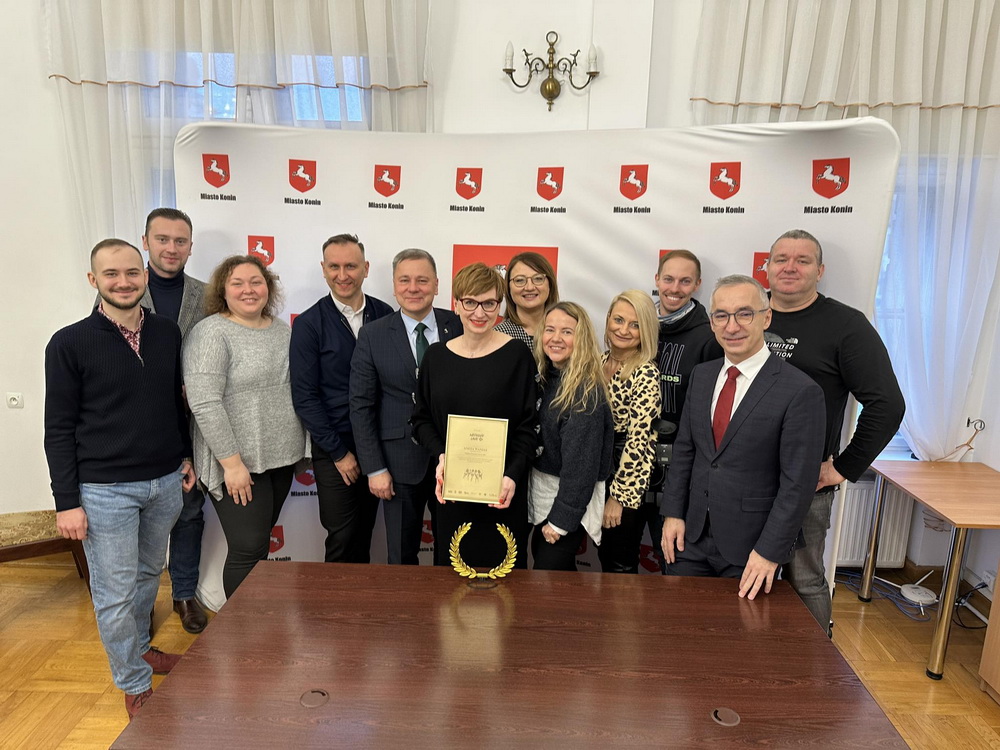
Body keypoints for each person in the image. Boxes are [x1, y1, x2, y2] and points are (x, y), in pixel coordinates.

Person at [45, 239, 196, 720]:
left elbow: (173, 404)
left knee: (149, 576)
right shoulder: (68, 342)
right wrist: (66, 502)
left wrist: (185, 456)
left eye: (132, 272)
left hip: (164, 482)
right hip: (104, 491)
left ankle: (141, 651)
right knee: (114, 594)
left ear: (145, 275)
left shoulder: (167, 332)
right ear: (94, 280)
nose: (123, 282)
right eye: (111, 274)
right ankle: (133, 682)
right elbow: (58, 428)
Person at [766, 229, 905, 633]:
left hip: (805, 485)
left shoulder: (845, 325)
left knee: (804, 578)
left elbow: (887, 404)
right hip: (742, 480)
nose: (790, 267)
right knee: (738, 572)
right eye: (781, 259)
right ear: (767, 267)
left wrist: (842, 468)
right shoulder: (746, 314)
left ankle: (814, 660)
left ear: (820, 270)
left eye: (803, 260)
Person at [660, 275, 825, 599]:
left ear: (766, 317)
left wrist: (769, 551)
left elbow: (797, 485)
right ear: (712, 322)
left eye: (744, 314)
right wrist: (673, 512)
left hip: (751, 548)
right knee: (680, 622)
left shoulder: (800, 391)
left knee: (742, 630)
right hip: (689, 537)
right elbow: (685, 450)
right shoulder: (702, 375)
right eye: (721, 315)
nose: (731, 326)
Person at [183, 255, 306, 598]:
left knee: (259, 544)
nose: (248, 290)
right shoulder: (210, 333)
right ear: (223, 291)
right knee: (248, 548)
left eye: (256, 282)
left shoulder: (281, 330)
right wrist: (232, 464)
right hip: (236, 462)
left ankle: (256, 618)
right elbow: (205, 403)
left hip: (280, 458)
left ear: (268, 287)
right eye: (237, 283)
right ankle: (241, 627)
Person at [412, 263, 537, 568]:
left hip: (502, 491)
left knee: (505, 581)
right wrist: (442, 456)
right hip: (453, 489)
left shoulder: (518, 356)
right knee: (453, 578)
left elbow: (528, 427)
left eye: (489, 303)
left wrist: (511, 475)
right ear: (456, 304)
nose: (479, 312)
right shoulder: (436, 357)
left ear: (499, 306)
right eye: (470, 302)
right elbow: (421, 420)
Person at [350, 249, 462, 564]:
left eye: (422, 280)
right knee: (400, 557)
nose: (413, 288)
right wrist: (374, 468)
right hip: (397, 463)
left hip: (454, 459)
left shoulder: (459, 325)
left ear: (437, 285)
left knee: (454, 553)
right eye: (405, 280)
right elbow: (361, 405)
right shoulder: (372, 335)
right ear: (394, 285)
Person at [290, 234, 392, 563]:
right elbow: (305, 397)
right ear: (323, 269)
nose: (343, 274)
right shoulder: (308, 324)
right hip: (336, 448)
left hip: (378, 444)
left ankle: (358, 597)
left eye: (351, 266)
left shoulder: (385, 313)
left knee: (365, 533)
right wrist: (338, 452)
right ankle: (335, 599)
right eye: (334, 266)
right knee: (342, 537)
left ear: (366, 268)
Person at [140, 207, 209, 634]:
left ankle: (184, 594)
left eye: (179, 241)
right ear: (145, 242)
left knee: (189, 511)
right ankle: (143, 603)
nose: (171, 248)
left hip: (192, 423)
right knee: (141, 518)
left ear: (190, 246)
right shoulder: (125, 287)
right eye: (162, 239)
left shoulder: (207, 294)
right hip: (140, 422)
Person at [646, 250, 722, 572]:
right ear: (657, 280)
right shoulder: (641, 325)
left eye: (685, 281)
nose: (675, 288)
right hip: (636, 460)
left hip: (681, 467)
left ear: (698, 284)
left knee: (672, 558)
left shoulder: (709, 337)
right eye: (668, 279)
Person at [530, 302, 614, 571]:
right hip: (544, 494)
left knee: (547, 575)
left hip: (568, 500)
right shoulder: (547, 377)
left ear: (582, 339)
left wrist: (561, 521)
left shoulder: (584, 394)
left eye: (567, 332)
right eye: (550, 329)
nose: (556, 338)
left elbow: (581, 468)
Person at [597, 290, 661, 574]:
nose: (623, 330)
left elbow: (640, 441)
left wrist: (619, 497)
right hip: (598, 472)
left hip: (625, 479)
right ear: (608, 319)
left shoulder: (645, 372)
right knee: (605, 558)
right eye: (619, 320)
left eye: (635, 325)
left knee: (618, 564)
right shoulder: (598, 362)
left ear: (645, 330)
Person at [495, 251, 559, 346]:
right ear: (508, 288)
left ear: (550, 284)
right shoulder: (497, 339)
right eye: (520, 280)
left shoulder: (570, 334)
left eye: (538, 279)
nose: (529, 287)